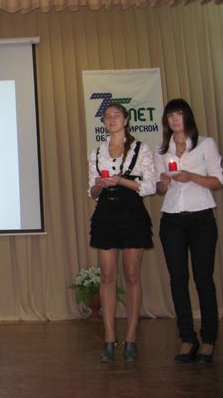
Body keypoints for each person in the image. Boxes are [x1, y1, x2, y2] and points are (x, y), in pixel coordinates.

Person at [155, 98, 223, 364]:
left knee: (203, 278)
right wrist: (163, 183)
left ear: (188, 116)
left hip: (202, 217)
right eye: (170, 115)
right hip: (172, 219)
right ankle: (187, 337)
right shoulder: (162, 150)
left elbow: (218, 181)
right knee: (178, 279)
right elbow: (160, 189)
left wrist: (191, 176)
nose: (175, 119)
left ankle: (208, 339)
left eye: (179, 113)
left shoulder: (205, 144)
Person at [88, 103, 156, 363]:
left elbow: (149, 186)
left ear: (126, 120)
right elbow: (92, 193)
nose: (112, 120)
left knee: (132, 275)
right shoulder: (97, 152)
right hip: (106, 212)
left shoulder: (141, 148)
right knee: (107, 275)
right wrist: (99, 185)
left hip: (132, 212)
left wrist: (121, 180)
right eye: (107, 117)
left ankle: (130, 338)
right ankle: (109, 338)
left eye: (116, 116)